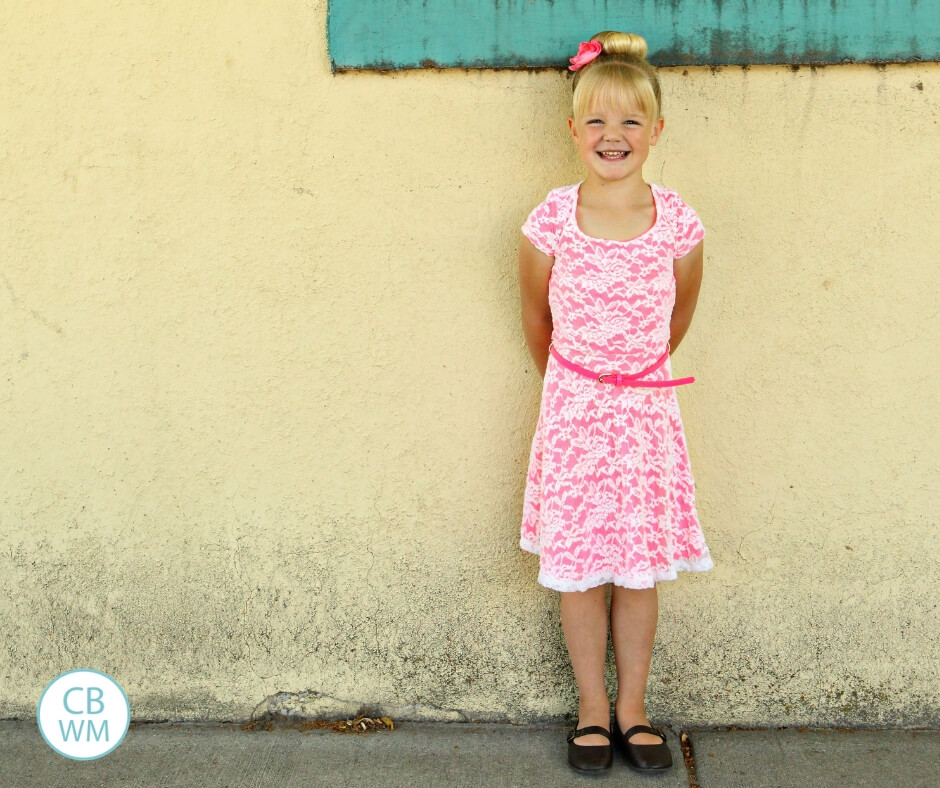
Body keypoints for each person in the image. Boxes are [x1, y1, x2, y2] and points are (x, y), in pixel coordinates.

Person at [517, 30, 714, 775]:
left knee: (637, 573)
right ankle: (592, 711)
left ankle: (633, 707)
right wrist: (580, 386)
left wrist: (633, 377)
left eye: (631, 122)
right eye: (596, 121)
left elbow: (678, 317)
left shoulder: (678, 224)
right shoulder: (551, 220)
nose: (613, 136)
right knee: (581, 572)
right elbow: (536, 319)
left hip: (645, 421)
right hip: (574, 418)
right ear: (573, 131)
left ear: (656, 131)